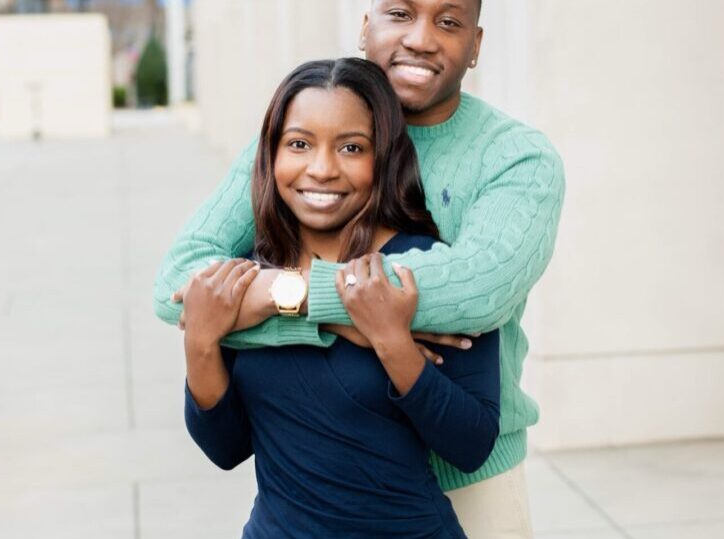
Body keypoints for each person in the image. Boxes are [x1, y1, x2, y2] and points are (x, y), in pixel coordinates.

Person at [155, 1, 564, 536]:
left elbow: (475, 293)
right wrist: (352, 320)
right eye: (400, 12)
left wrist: (290, 299)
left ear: (477, 45)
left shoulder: (515, 158)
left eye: (448, 21)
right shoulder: (304, 134)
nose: (420, 39)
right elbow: (179, 288)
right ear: (365, 28)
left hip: (471, 481)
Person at [183, 57, 500, 538]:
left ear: (385, 157)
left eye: (351, 147)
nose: (322, 169)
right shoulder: (249, 275)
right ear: (271, 155)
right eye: (299, 144)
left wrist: (392, 342)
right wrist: (201, 346)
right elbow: (227, 450)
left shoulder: (426, 269)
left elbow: (471, 444)